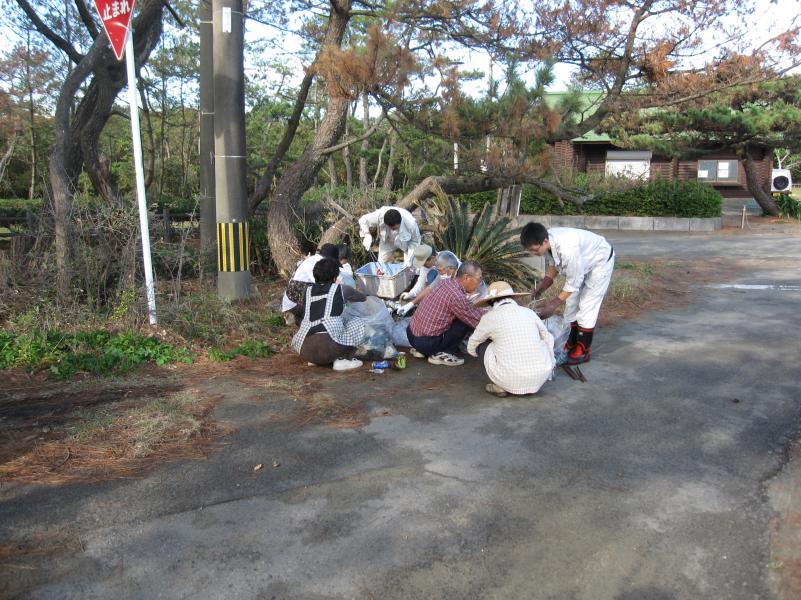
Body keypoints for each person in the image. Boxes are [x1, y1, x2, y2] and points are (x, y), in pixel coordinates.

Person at [520, 222, 615, 365]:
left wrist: (554, 304)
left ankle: (583, 350)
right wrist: (544, 284)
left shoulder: (568, 248)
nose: (534, 254)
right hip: (581, 264)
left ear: (544, 241)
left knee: (587, 306)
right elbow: (553, 264)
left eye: (534, 250)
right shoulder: (547, 241)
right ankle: (571, 342)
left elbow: (574, 281)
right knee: (571, 304)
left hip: (599, 263)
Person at [467, 281, 555, 397]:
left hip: (508, 379)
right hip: (541, 376)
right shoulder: (529, 312)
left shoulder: (489, 317)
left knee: (482, 344)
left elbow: (472, 345)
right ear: (512, 297)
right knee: (539, 339)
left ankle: (499, 385)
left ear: (491, 302)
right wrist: (551, 361)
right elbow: (548, 338)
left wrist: (477, 354)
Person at [291, 258, 367, 371]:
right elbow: (362, 297)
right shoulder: (341, 289)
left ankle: (315, 361)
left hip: (305, 350)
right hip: (330, 348)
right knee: (358, 322)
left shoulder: (306, 291)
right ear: (334, 276)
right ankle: (343, 359)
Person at [406, 260, 487, 366]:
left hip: (411, 334)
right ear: (466, 277)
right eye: (478, 279)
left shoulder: (447, 282)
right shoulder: (456, 296)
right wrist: (491, 314)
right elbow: (475, 319)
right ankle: (443, 353)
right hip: (425, 343)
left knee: (460, 314)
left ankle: (422, 350)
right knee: (464, 322)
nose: (479, 283)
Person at [282, 243, 340, 325]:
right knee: (324, 295)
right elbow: (322, 284)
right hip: (293, 305)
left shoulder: (315, 259)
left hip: (294, 300)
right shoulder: (316, 262)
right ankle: (299, 320)